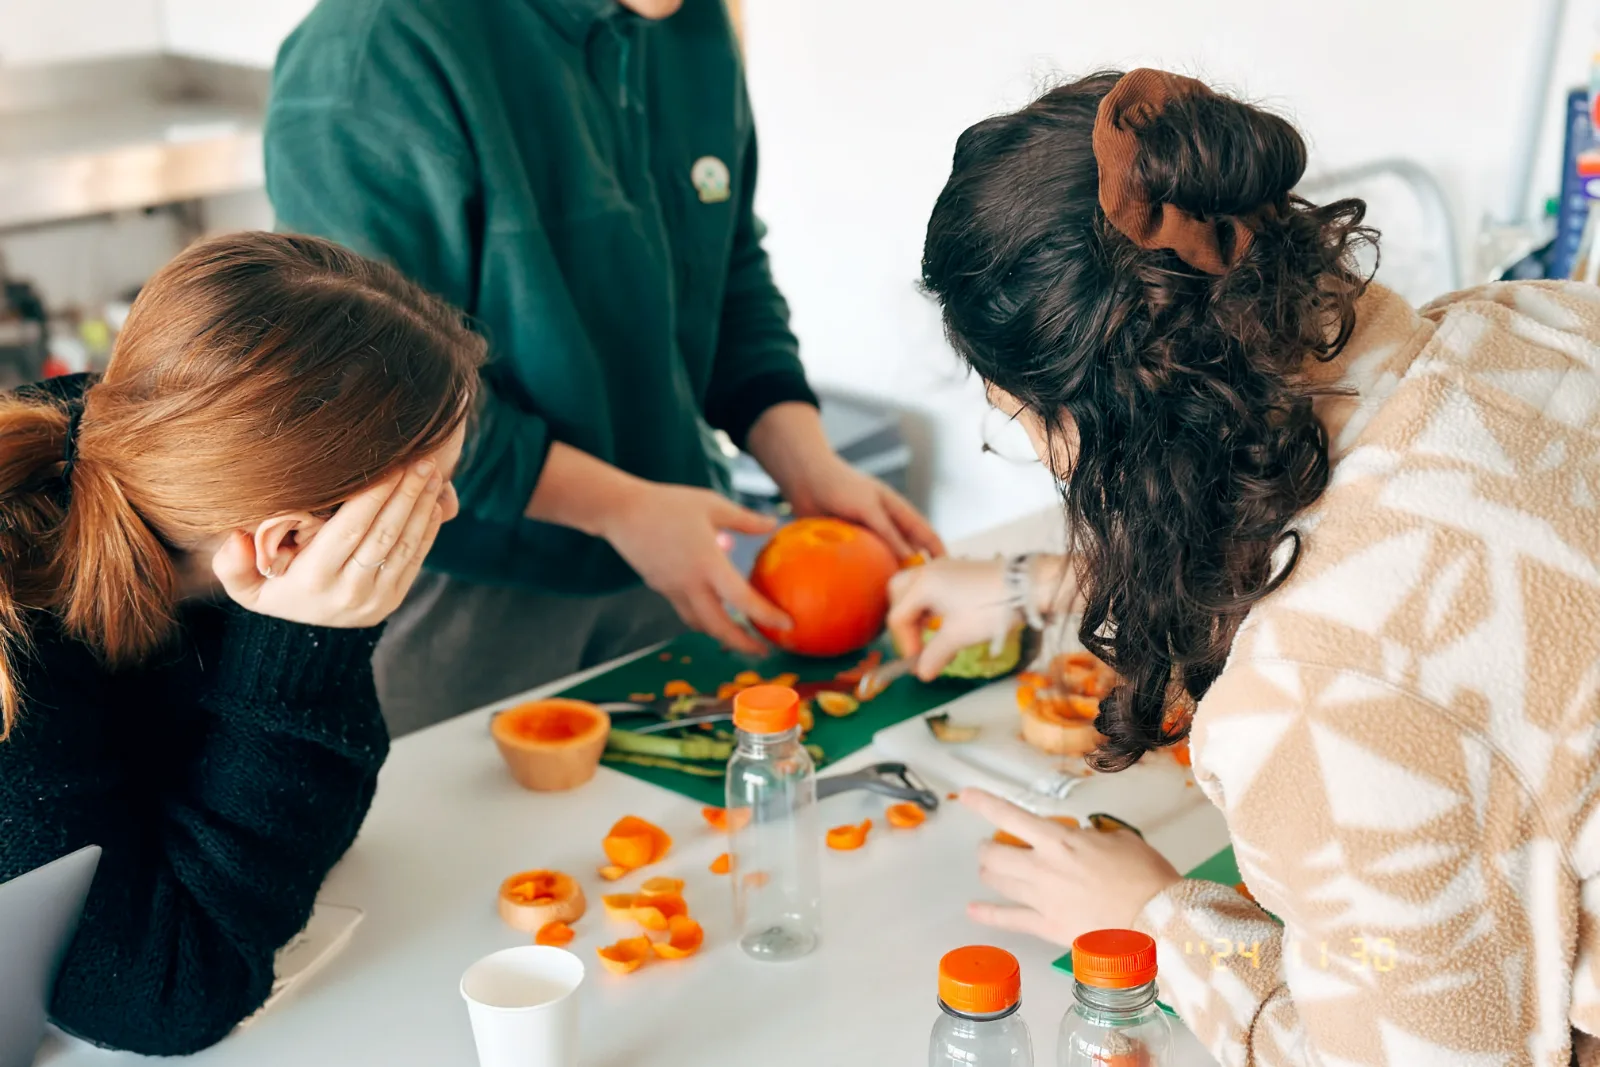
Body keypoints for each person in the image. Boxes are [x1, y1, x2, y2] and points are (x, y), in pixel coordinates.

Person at [897, 68, 1600, 1065]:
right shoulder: (1523, 321)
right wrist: (1035, 582)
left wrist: (1154, 915)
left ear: (1113, 423)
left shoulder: (1322, 688)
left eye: (1024, 425)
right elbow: (1450, 578)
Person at [262, 0, 942, 736]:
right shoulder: (371, 53)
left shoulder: (694, 24)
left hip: (667, 555)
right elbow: (377, 385)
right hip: (457, 581)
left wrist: (808, 462)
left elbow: (727, 272)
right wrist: (622, 508)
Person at [0, 231, 481, 1055]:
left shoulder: (163, 464)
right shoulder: (22, 645)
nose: (449, 513)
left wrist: (302, 640)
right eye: (428, 492)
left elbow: (316, 838)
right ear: (286, 541)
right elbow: (165, 996)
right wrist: (301, 659)